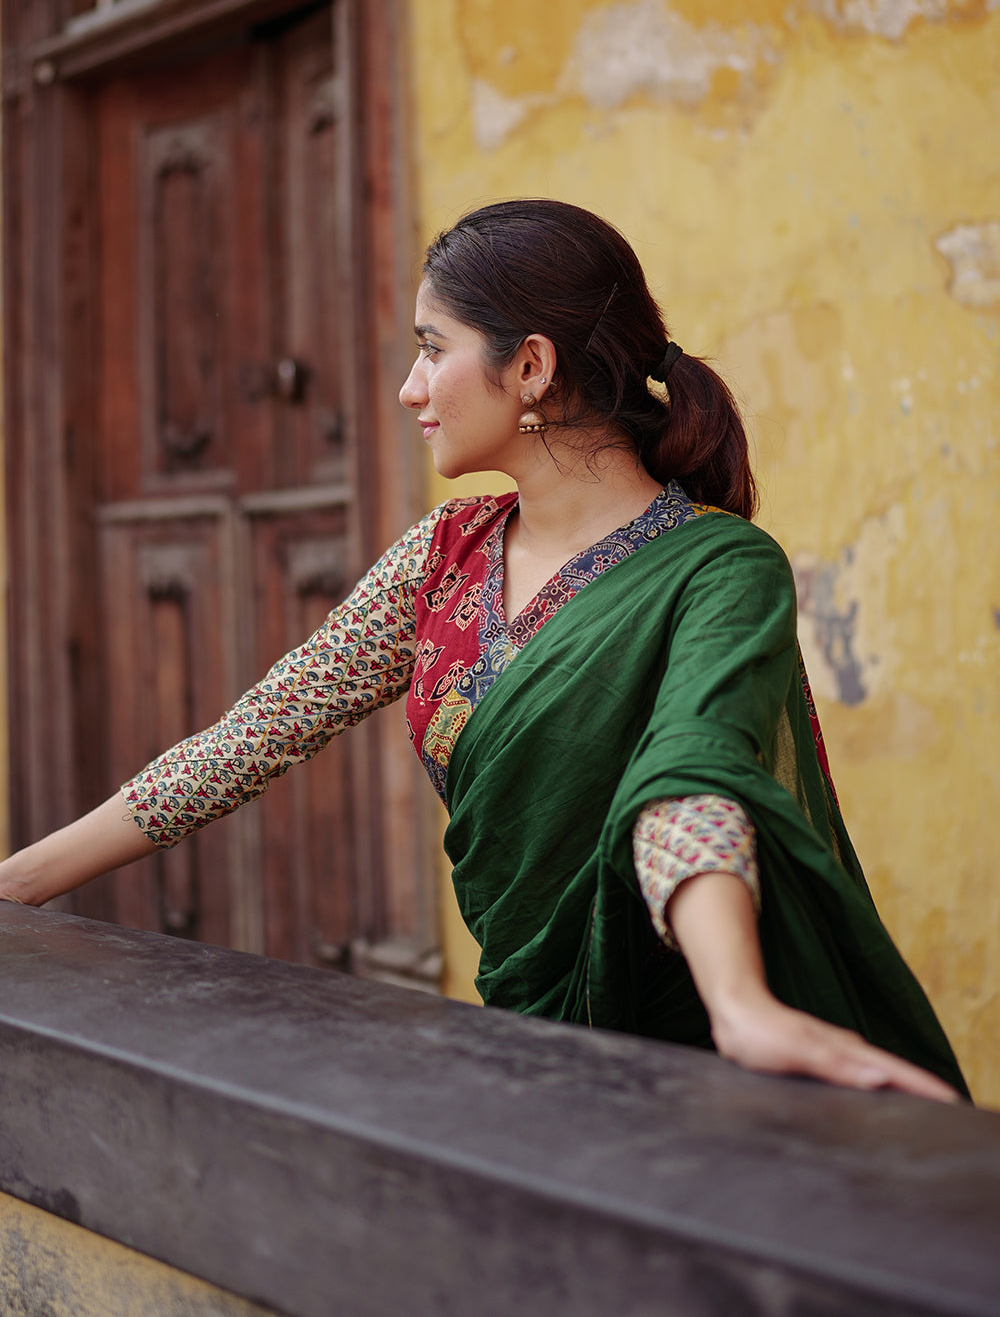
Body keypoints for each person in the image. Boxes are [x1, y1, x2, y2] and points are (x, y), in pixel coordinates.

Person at [0, 198, 968, 1102]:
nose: (408, 387)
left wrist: (740, 1004)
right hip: (523, 1036)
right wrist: (21, 883)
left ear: (532, 367)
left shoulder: (717, 569)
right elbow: (256, 735)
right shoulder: (443, 555)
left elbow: (688, 777)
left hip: (688, 1050)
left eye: (432, 349)